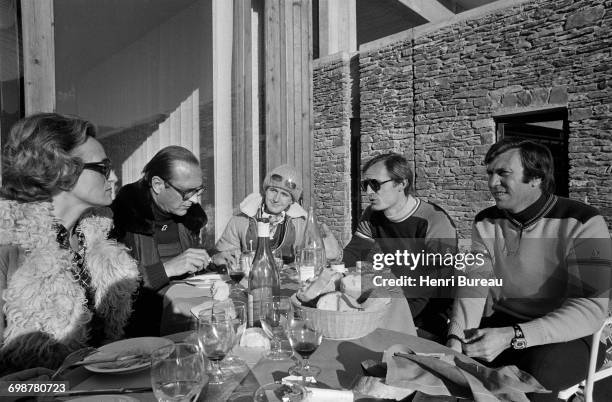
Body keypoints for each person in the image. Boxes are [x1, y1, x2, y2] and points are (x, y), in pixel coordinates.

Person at [446, 138, 611, 401]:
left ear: (536, 178)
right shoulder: (484, 222)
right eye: (490, 173)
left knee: (531, 377)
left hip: (570, 334)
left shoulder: (584, 222)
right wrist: (455, 337)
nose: (491, 183)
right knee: (453, 367)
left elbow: (590, 309)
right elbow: (473, 285)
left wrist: (515, 337)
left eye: (503, 173)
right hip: (505, 323)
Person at [0, 113, 140, 374]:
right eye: (103, 168)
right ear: (62, 169)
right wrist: (50, 388)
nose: (114, 178)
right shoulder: (8, 245)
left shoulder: (95, 237)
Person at [342, 153, 457, 337]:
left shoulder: (434, 220)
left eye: (376, 184)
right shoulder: (371, 215)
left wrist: (385, 319)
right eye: (365, 185)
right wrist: (332, 261)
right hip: (387, 305)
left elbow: (435, 287)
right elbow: (354, 254)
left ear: (402, 183)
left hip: (426, 319)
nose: (369, 192)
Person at [111, 146, 211, 291]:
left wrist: (212, 259)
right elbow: (114, 289)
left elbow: (190, 265)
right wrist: (167, 270)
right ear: (158, 185)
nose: (195, 200)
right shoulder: (121, 221)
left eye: (198, 190)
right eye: (188, 192)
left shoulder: (189, 218)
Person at [213, 164, 340, 267]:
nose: (276, 199)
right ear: (265, 191)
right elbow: (224, 258)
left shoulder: (302, 224)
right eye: (273, 191)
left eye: (284, 194)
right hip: (249, 283)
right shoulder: (241, 220)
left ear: (292, 201)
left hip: (289, 285)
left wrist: (331, 255)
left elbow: (317, 260)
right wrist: (218, 259)